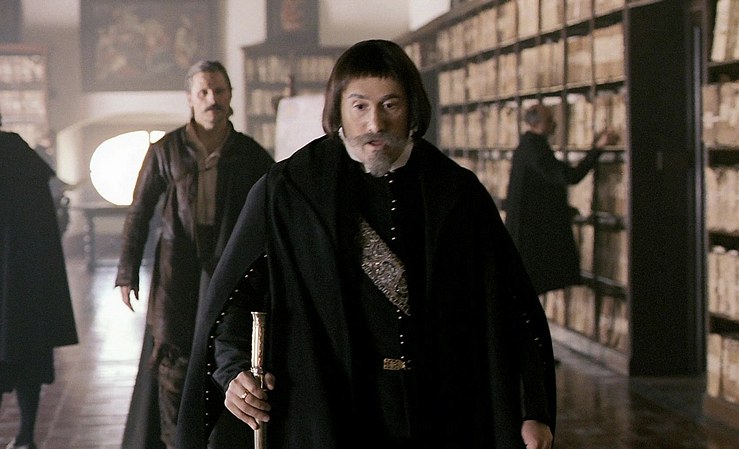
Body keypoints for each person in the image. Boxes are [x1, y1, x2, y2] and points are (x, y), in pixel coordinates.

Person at [177, 39, 557, 449]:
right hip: (327, 411)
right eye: (359, 106)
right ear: (338, 110)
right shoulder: (287, 191)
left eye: (390, 104)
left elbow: (509, 305)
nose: (375, 122)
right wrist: (233, 369)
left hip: (445, 410)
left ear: (412, 108)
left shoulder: (457, 192)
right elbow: (235, 297)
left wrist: (532, 409)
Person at [115, 60, 274, 449]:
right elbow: (139, 211)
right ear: (190, 98)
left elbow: (270, 213)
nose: (212, 99)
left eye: (219, 91)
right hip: (177, 269)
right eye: (203, 91)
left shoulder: (250, 154)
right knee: (174, 357)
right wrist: (127, 271)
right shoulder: (165, 150)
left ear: (230, 95)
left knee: (226, 351)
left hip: (228, 267)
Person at [0, 128, 78, 449]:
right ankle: (26, 436)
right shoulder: (23, 157)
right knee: (27, 359)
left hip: (16, 279)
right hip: (28, 284)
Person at [504, 103, 618, 296]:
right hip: (532, 234)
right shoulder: (534, 149)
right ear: (536, 124)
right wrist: (597, 148)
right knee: (532, 284)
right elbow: (569, 176)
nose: (554, 124)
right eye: (549, 120)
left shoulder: (529, 146)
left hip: (529, 229)